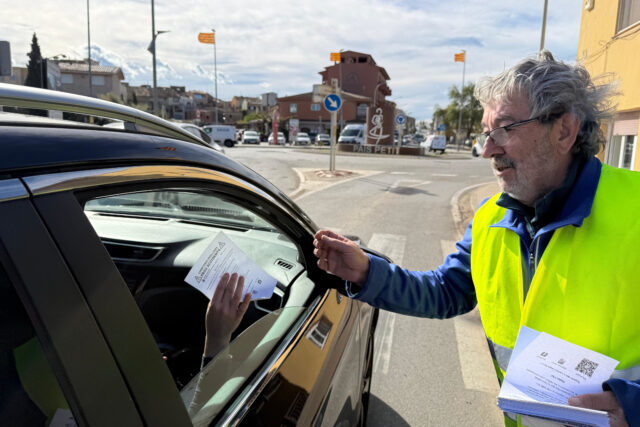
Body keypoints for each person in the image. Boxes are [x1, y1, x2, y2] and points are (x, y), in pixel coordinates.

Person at [313, 51, 640, 427]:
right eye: (487, 133)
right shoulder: (490, 218)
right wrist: (367, 272)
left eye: (504, 129)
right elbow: (446, 291)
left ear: (564, 131)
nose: (487, 149)